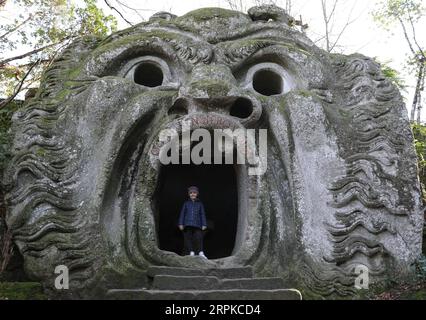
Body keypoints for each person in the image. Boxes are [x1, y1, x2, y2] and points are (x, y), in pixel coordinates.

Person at [178, 186, 208, 259]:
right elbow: (182, 214)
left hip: (197, 224)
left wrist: (204, 224)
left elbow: (202, 214)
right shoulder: (186, 203)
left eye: (194, 193)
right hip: (187, 224)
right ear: (189, 194)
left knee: (199, 237)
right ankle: (191, 251)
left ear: (197, 194)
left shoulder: (200, 204)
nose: (192, 194)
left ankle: (201, 252)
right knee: (188, 238)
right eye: (191, 193)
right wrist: (180, 223)